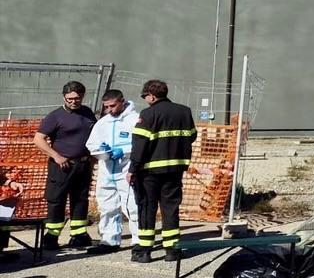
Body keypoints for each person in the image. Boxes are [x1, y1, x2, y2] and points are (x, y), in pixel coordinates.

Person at [128, 79, 195, 263]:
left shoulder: (148, 114)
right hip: (175, 169)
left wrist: (132, 168)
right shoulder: (184, 111)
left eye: (145, 96)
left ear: (152, 95)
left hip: (149, 171)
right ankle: (172, 250)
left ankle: (145, 251)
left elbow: (139, 144)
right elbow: (192, 136)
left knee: (147, 207)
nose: (145, 100)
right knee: (170, 208)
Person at [34, 81, 98, 250]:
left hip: (83, 166)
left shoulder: (88, 113)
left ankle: (79, 235)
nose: (73, 101)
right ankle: (52, 237)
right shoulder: (55, 116)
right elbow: (38, 139)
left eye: (77, 98)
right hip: (62, 166)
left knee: (80, 200)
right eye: (69, 98)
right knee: (57, 200)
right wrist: (57, 156)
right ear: (64, 97)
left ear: (82, 96)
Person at [85, 89, 141, 253]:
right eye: (106, 107)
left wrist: (124, 151)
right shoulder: (103, 122)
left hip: (127, 170)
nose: (110, 110)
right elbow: (91, 144)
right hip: (107, 171)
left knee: (132, 206)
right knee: (107, 207)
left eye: (113, 106)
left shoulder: (135, 120)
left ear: (122, 102)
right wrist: (100, 150)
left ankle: (139, 240)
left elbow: (142, 143)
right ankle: (109, 241)